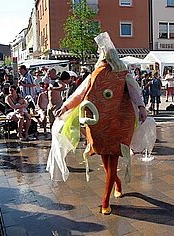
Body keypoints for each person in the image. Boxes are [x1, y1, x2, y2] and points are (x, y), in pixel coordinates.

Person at [47, 32, 148, 215]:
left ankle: (105, 201)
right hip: (99, 124)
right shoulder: (96, 73)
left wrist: (141, 107)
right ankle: (117, 183)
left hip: (118, 121)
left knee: (112, 159)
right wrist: (66, 106)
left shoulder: (122, 73)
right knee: (107, 162)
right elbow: (80, 93)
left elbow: (134, 92)